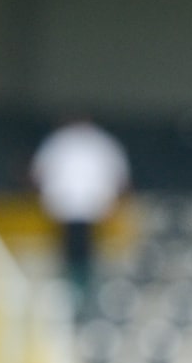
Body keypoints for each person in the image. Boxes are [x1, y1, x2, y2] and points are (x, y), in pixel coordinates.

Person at [30, 115, 130, 318]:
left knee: (83, 254)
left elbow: (37, 173)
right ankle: (75, 292)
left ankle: (81, 292)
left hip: (86, 208)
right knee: (72, 253)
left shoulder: (78, 141)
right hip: (71, 208)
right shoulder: (69, 141)